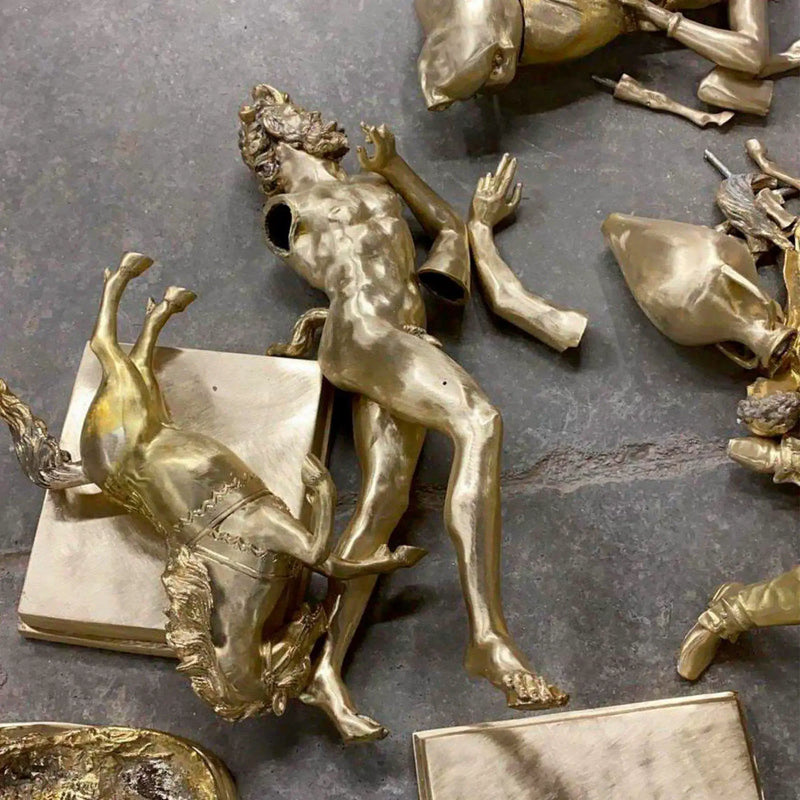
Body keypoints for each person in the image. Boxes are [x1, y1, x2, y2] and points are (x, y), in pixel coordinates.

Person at [239, 84, 569, 742]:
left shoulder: (373, 184)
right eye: (301, 114)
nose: (320, 117)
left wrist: (395, 166)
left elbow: (446, 228)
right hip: (364, 336)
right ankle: (488, 637)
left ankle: (324, 668)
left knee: (384, 500)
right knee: (480, 422)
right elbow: (315, 256)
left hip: (403, 339)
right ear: (281, 138)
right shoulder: (287, 209)